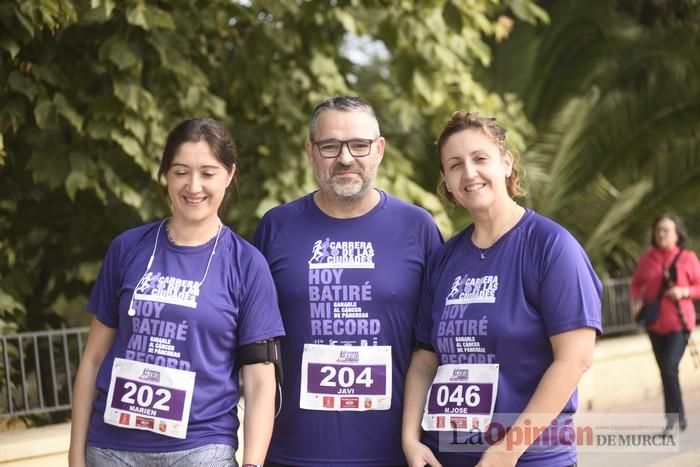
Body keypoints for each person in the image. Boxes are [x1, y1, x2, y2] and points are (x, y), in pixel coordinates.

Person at [68, 117, 285, 467]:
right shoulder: (127, 249)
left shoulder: (247, 264)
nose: (193, 185)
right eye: (181, 171)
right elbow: (92, 359)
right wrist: (76, 455)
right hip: (111, 450)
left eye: (208, 172)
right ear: (165, 175)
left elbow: (261, 383)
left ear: (229, 175)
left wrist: (253, 463)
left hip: (201, 450)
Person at [402, 111, 602, 467]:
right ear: (446, 181)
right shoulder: (443, 259)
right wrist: (410, 439)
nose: (470, 173)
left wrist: (507, 451)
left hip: (530, 458)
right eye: (455, 165)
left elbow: (574, 359)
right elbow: (425, 360)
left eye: (480, 158)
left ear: (507, 164)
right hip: (448, 455)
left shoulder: (551, 246)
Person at [254, 96, 443, 466]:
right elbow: (247, 345)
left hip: (394, 454)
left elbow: (436, 346)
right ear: (310, 151)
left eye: (359, 145)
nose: (345, 158)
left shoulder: (418, 228)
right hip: (292, 454)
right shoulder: (276, 227)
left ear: (379, 149)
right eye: (330, 146)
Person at [631, 214, 700, 433]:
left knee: (669, 368)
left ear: (677, 234)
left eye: (666, 230)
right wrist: (636, 302)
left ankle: (671, 420)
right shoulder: (647, 259)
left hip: (679, 324)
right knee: (666, 371)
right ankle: (678, 416)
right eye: (658, 229)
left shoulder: (687, 258)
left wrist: (684, 291)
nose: (661, 234)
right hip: (655, 325)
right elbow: (636, 283)